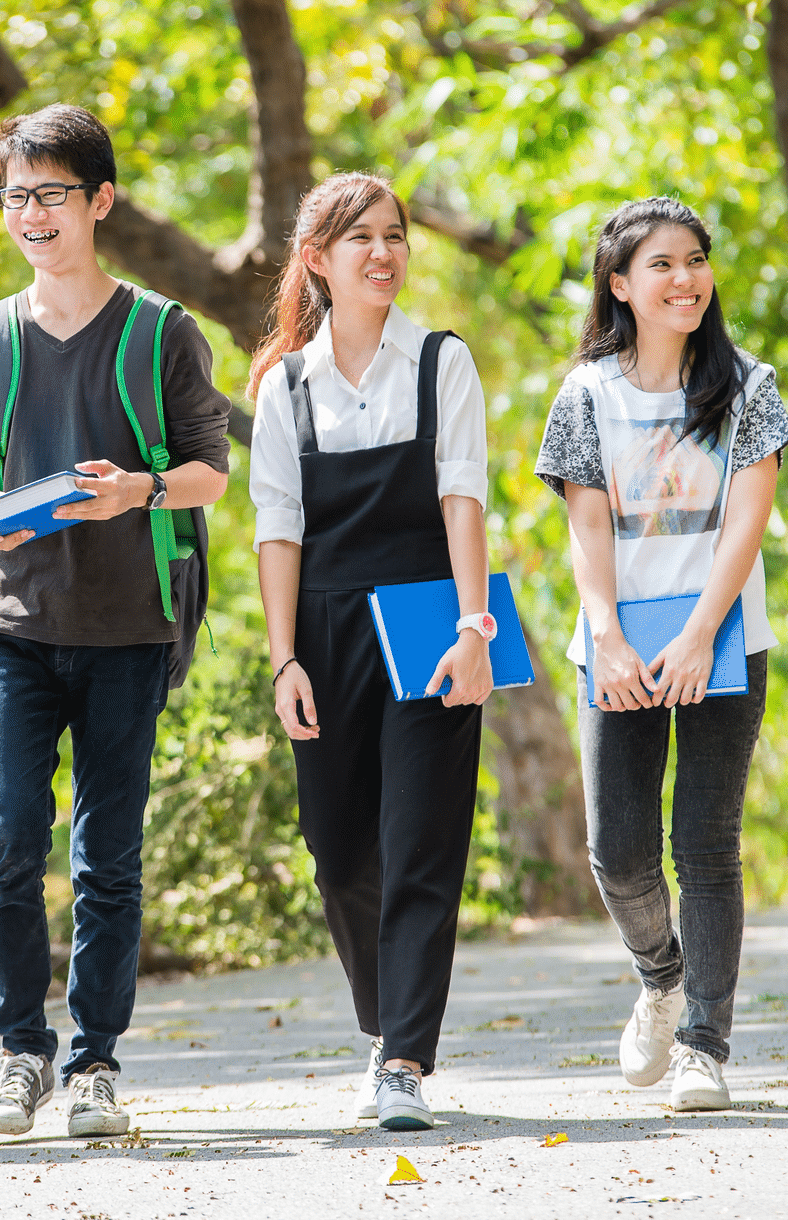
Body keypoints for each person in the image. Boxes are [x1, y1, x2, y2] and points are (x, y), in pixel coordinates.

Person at [0, 104, 231, 1139]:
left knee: (109, 854)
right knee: (6, 838)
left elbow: (209, 473)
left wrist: (138, 491)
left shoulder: (161, 331)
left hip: (130, 627)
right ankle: (21, 1053)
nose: (30, 213)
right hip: (15, 623)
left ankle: (93, 1063)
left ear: (99, 201)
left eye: (51, 194)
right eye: (15, 195)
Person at [535, 197, 788, 1112]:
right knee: (618, 851)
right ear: (620, 285)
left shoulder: (748, 387)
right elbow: (587, 523)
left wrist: (698, 636)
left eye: (695, 260)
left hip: (721, 640)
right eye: (661, 265)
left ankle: (703, 1044)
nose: (684, 278)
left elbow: (745, 524)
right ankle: (661, 975)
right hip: (616, 647)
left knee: (706, 845)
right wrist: (606, 635)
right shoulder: (585, 394)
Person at [249, 172, 494, 1132]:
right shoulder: (286, 384)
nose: (385, 253)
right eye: (362, 239)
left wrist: (474, 629)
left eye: (395, 235)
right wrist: (283, 659)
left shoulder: (442, 362)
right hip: (324, 630)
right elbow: (277, 530)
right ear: (318, 260)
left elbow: (463, 501)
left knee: (422, 840)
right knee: (340, 848)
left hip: (432, 615)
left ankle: (402, 1057)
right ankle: (382, 1023)